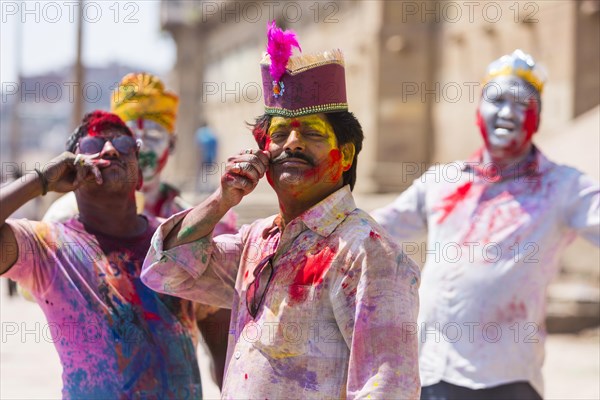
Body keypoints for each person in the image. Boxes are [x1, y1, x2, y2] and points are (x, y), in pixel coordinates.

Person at [141, 22, 421, 399]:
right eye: (279, 135)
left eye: (312, 133)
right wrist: (221, 200)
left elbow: (388, 387)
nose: (292, 143)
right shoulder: (257, 242)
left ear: (348, 154)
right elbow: (165, 271)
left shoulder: (367, 252)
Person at [372, 50, 600, 400]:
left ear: (537, 117)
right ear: (479, 110)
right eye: (497, 100)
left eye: (522, 104)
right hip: (435, 371)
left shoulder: (563, 187)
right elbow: (376, 229)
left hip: (510, 379)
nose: (507, 112)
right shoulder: (443, 181)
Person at [42, 73, 236, 387]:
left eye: (155, 137)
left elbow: (218, 335)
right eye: (130, 137)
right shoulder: (69, 215)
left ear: (172, 144)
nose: (142, 150)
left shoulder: (192, 221)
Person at [0, 111, 202, 398]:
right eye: (93, 146)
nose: (109, 149)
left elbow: (219, 334)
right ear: (71, 171)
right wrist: (42, 180)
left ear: (138, 176)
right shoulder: (48, 245)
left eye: (122, 143)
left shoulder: (174, 241)